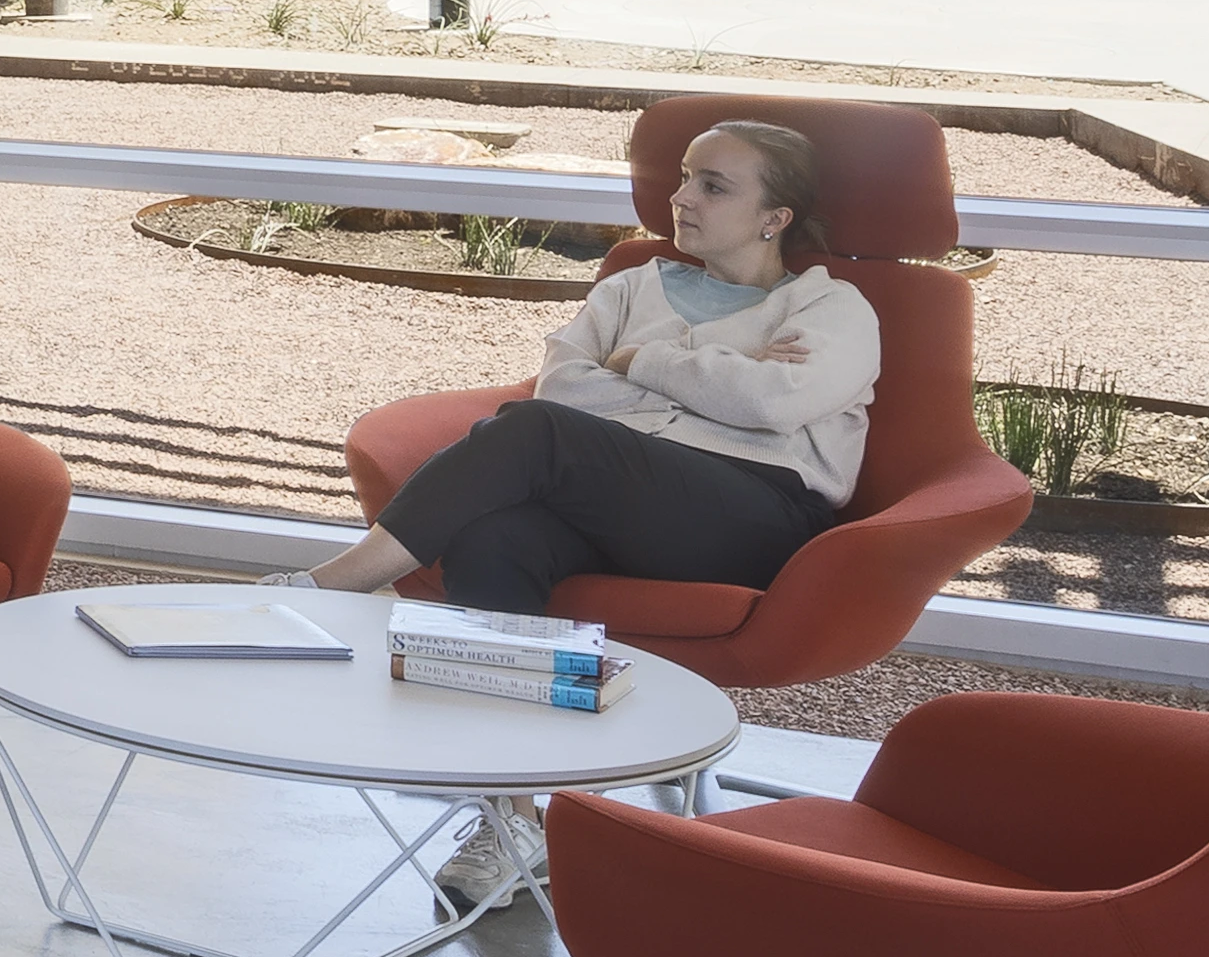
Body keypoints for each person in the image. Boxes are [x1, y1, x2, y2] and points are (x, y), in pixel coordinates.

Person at [299, 117, 875, 616]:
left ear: (773, 218)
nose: (681, 198)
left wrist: (637, 361)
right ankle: (493, 717)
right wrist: (722, 375)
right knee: (493, 537)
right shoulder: (630, 286)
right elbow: (564, 389)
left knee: (535, 430)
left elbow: (772, 403)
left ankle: (329, 588)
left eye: (714, 187)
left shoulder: (830, 305)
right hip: (622, 504)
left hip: (757, 521)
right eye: (683, 176)